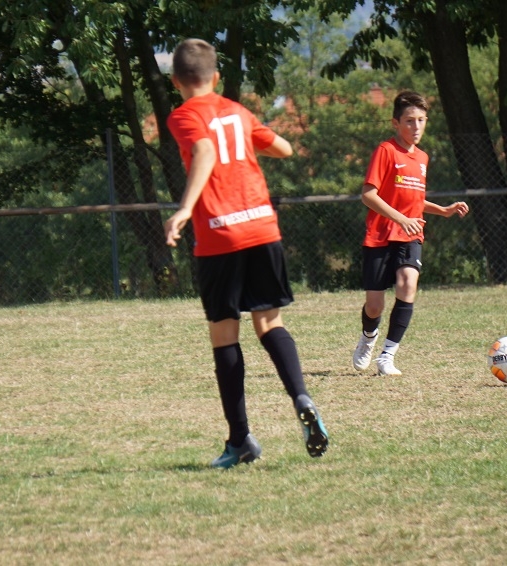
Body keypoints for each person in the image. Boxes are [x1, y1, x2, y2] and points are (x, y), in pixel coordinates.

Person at [163, 38, 328, 469]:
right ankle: (301, 396)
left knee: (224, 333)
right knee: (270, 323)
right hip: (262, 226)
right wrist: (251, 143)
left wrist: (185, 208)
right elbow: (283, 148)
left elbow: (204, 150)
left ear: (176, 81)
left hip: (220, 234)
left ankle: (240, 440)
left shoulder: (183, 115)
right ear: (216, 77)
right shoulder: (237, 111)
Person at [351, 91, 470, 376]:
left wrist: (442, 210)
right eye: (409, 121)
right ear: (396, 123)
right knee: (374, 306)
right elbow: (368, 195)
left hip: (410, 234)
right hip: (380, 234)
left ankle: (387, 356)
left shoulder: (423, 157)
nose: (416, 126)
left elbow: (413, 199)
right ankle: (368, 337)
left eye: (421, 120)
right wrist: (401, 219)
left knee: (408, 283)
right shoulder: (386, 151)